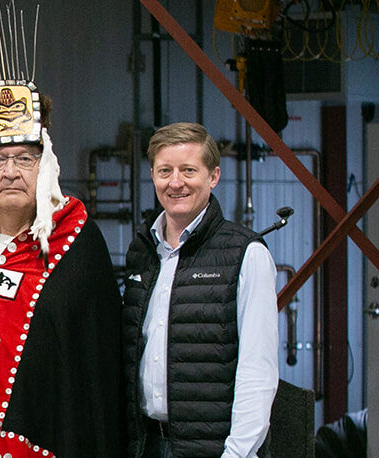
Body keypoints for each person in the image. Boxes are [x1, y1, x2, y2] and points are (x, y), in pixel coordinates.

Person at [0, 11, 125, 454]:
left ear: (45, 165)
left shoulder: (75, 242)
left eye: (25, 158)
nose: (11, 172)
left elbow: (95, 373)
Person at [123, 122, 278, 458]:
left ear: (213, 176)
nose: (175, 182)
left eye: (188, 170)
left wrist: (238, 453)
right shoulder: (141, 251)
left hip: (215, 449)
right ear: (152, 175)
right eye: (165, 170)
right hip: (146, 443)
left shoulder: (246, 254)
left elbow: (258, 368)